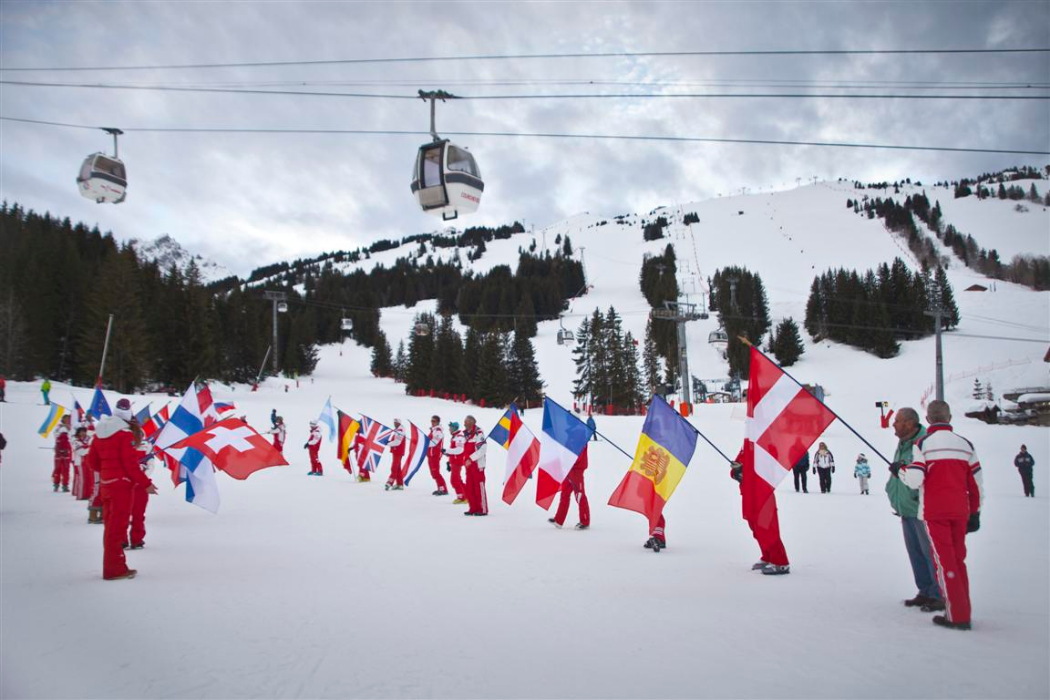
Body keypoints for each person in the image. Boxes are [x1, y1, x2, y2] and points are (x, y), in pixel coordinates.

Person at [897, 400, 983, 631]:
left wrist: (900, 471)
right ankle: (961, 607)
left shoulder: (924, 444)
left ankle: (957, 615)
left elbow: (915, 479)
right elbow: (976, 483)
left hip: (935, 511)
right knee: (957, 560)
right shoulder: (965, 444)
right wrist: (975, 511)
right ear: (950, 417)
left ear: (928, 420)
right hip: (960, 511)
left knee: (944, 563)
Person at [89, 397, 157, 580]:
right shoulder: (124, 435)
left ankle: (114, 565)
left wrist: (107, 473)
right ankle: (114, 569)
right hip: (121, 487)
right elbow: (130, 465)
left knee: (110, 527)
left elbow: (92, 462)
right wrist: (146, 483)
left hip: (106, 485)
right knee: (117, 529)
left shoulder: (99, 433)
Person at [886, 407, 941, 611]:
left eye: (898, 421)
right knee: (915, 552)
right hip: (905, 507)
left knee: (929, 553)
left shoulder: (923, 443)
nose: (894, 424)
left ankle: (938, 593)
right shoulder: (903, 443)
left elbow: (923, 475)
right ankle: (925, 590)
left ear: (909, 423)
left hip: (921, 508)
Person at [731, 447, 790, 575]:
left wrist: (744, 470)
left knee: (768, 529)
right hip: (748, 494)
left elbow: (767, 470)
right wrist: (737, 470)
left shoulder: (767, 447)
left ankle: (781, 562)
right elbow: (735, 471)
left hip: (763, 495)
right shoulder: (745, 448)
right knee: (756, 529)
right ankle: (768, 556)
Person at [126, 428, 154, 550]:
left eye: (139, 435)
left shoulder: (146, 447)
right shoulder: (125, 446)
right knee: (123, 513)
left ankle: (136, 539)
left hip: (141, 486)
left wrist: (142, 475)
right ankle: (121, 539)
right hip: (126, 485)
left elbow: (151, 466)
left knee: (139, 513)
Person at [550, 450, 590, 529]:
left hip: (576, 470)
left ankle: (585, 521)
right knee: (564, 494)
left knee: (579, 496)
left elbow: (578, 454)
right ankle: (559, 520)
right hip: (568, 469)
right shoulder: (570, 438)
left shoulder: (581, 438)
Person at [461, 415, 488, 516]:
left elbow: (482, 450)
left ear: (471, 422)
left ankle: (482, 509)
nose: (464, 424)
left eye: (466, 422)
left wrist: (470, 459)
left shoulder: (478, 433)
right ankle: (473, 508)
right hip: (468, 466)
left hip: (477, 465)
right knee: (470, 487)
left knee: (478, 487)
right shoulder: (466, 435)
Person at [443, 421, 467, 503]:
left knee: (454, 480)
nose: (449, 429)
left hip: (457, 462)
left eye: (450, 428)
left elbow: (459, 450)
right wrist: (447, 454)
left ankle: (461, 497)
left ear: (454, 428)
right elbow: (454, 451)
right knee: (458, 480)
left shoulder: (459, 437)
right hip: (454, 461)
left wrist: (447, 450)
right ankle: (467, 495)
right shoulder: (454, 436)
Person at [426, 415, 449, 496]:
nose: (432, 422)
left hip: (435, 454)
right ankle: (440, 487)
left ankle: (443, 489)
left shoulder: (438, 431)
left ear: (438, 422)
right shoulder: (433, 431)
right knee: (433, 473)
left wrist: (424, 444)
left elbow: (433, 443)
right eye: (431, 421)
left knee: (436, 472)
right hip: (430, 454)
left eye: (434, 421)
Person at [71, 427, 94, 500]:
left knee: (90, 479)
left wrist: (86, 447)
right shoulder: (76, 441)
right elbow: (81, 452)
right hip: (80, 462)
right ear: (78, 433)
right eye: (81, 432)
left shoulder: (89, 439)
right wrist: (89, 448)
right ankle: (81, 495)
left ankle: (89, 494)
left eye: (84, 431)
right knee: (82, 479)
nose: (83, 433)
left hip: (89, 461)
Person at [52, 414, 72, 492]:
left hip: (67, 451)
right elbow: (55, 435)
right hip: (59, 451)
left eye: (68, 419)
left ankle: (65, 485)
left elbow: (72, 437)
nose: (67, 420)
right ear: (63, 419)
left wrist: (68, 429)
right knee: (58, 469)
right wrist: (62, 429)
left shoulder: (70, 428)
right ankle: (56, 484)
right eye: (66, 418)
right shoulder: (59, 427)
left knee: (66, 469)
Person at [385, 418, 406, 490]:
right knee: (398, 468)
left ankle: (389, 482)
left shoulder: (400, 430)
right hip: (396, 451)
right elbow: (395, 441)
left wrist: (388, 443)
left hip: (398, 451)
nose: (395, 423)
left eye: (396, 422)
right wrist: (389, 442)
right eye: (394, 422)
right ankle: (400, 484)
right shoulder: (398, 430)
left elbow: (397, 442)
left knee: (394, 467)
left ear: (399, 423)